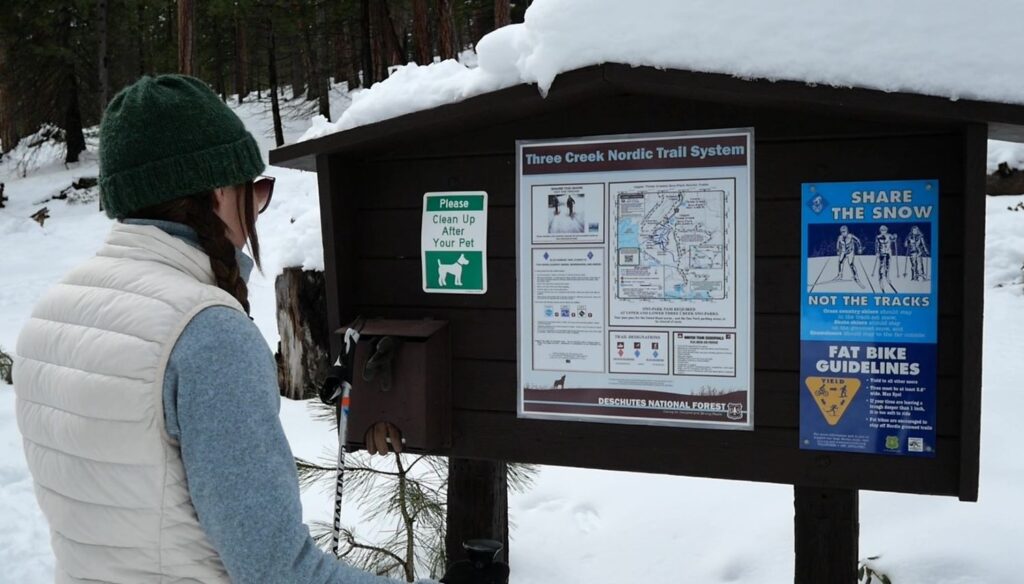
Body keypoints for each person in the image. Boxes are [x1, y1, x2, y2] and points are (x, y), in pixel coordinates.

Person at [13, 74, 406, 584]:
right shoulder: (206, 333)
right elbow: (277, 571)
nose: (255, 212)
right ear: (219, 189)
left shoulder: (52, 314)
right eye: (254, 191)